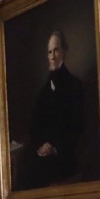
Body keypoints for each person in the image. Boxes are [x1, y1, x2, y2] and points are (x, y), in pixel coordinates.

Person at [15, 30, 85, 190]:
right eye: (49, 52)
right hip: (42, 153)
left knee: (36, 171)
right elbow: (34, 127)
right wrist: (41, 145)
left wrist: (53, 146)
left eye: (56, 50)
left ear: (64, 52)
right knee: (24, 167)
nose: (52, 55)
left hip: (64, 154)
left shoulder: (75, 85)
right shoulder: (43, 92)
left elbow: (77, 126)